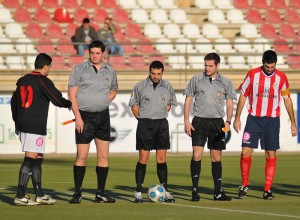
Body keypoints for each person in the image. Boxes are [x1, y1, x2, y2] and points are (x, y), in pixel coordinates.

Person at [233, 50, 297, 200]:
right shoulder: (252, 75)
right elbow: (243, 95)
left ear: (276, 64)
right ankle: (245, 183)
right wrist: (237, 118)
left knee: (271, 154)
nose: (269, 69)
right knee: (245, 152)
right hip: (253, 119)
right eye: (267, 67)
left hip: (272, 121)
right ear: (263, 62)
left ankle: (267, 189)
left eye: (272, 67)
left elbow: (287, 99)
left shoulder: (282, 78)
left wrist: (293, 123)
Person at [11, 53, 72, 206]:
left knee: (38, 159)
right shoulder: (42, 80)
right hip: (34, 125)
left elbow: (14, 103)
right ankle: (20, 194)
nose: (49, 69)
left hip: (25, 124)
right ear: (45, 66)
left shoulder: (22, 80)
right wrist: (70, 104)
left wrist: (17, 122)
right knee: (30, 158)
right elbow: (57, 99)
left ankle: (39, 194)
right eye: (50, 67)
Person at [68, 40, 118, 204]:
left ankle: (100, 193)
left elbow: (113, 90)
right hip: (84, 118)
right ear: (88, 53)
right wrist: (78, 117)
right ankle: (77, 193)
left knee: (103, 156)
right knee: (81, 156)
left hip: (103, 117)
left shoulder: (110, 71)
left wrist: (103, 102)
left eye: (97, 53)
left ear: (103, 53)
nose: (95, 56)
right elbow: (72, 95)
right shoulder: (79, 69)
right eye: (92, 53)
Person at [184, 52, 237, 201]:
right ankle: (195, 190)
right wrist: (187, 121)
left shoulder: (226, 82)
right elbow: (188, 100)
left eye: (210, 66)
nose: (207, 68)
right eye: (205, 65)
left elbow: (229, 103)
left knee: (216, 157)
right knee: (196, 155)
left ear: (218, 65)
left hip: (217, 123)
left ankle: (218, 192)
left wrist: (228, 121)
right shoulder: (196, 79)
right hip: (199, 121)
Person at [129, 60, 177, 203]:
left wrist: (159, 114)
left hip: (162, 124)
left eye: (159, 74)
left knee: (161, 159)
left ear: (162, 73)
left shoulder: (168, 86)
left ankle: (165, 190)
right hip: (145, 125)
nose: (156, 76)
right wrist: (143, 120)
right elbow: (134, 106)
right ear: (149, 72)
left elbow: (169, 105)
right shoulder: (140, 86)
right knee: (143, 159)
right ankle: (138, 191)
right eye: (153, 73)